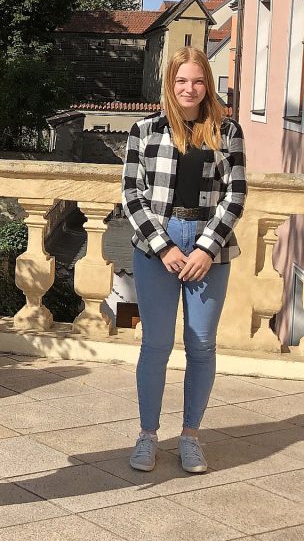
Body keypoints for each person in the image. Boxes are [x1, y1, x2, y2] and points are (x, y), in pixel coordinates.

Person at [122, 46, 246, 475]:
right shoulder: (145, 130)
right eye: (181, 81)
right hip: (158, 247)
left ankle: (191, 436)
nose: (189, 89)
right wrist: (167, 248)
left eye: (197, 81)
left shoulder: (227, 131)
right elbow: (131, 196)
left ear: (207, 85)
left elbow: (237, 194)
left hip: (211, 248)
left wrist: (206, 248)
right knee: (154, 344)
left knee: (201, 344)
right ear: (169, 85)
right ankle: (147, 435)